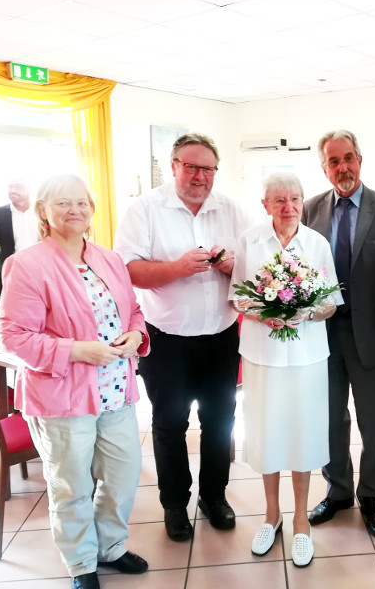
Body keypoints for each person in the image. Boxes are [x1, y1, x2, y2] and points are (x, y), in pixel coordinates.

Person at [0, 174, 150, 589]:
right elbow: (14, 336)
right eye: (63, 203)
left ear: (92, 209)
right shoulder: (27, 265)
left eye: (82, 202)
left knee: (122, 475)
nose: (75, 210)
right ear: (43, 212)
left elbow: (133, 311)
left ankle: (111, 546)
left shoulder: (109, 259)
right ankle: (82, 562)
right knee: (72, 484)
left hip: (117, 390)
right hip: (61, 396)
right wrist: (77, 350)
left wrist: (136, 334)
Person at [114, 133, 252, 542]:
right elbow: (128, 270)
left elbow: (254, 265)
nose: (199, 176)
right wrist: (176, 268)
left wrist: (230, 265)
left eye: (207, 168)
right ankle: (174, 505)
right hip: (166, 338)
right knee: (169, 424)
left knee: (220, 422)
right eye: (190, 166)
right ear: (173, 166)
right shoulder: (145, 209)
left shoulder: (230, 210)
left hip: (221, 336)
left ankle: (214, 497)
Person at [302, 129, 375, 539]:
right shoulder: (310, 210)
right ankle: (338, 491)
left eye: (348, 158)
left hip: (373, 336)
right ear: (325, 167)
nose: (343, 167)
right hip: (322, 337)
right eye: (334, 161)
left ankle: (370, 496)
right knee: (330, 419)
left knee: (373, 422)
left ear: (360, 160)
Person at [231, 171, 342, 567]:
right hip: (262, 354)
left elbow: (332, 303)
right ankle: (271, 515)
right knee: (266, 433)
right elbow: (237, 298)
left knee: (302, 434)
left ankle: (300, 522)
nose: (288, 206)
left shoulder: (317, 243)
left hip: (308, 357)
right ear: (265, 205)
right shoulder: (249, 241)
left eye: (294, 198)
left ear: (302, 201)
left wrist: (306, 312)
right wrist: (268, 313)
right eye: (278, 200)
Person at [0, 178, 36, 295]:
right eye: (10, 187)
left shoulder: (43, 212)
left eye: (17, 186)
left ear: (30, 188)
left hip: (43, 275)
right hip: (11, 277)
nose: (12, 190)